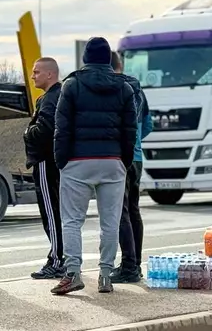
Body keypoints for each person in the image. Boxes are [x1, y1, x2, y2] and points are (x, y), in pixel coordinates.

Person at [51, 37, 137, 295]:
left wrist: (61, 161)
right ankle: (106, 275)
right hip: (112, 161)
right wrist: (124, 160)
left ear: (85, 58)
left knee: (72, 221)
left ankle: (73, 273)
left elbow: (61, 128)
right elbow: (129, 131)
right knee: (110, 222)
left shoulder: (72, 85)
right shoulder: (125, 88)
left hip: (77, 161)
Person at [110, 51, 153, 284]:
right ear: (120, 64)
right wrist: (136, 140)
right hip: (137, 157)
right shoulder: (138, 89)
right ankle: (135, 264)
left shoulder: (115, 89)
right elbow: (148, 124)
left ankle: (128, 266)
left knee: (120, 212)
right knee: (133, 210)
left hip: (119, 156)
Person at [23, 57, 65, 279]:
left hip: (45, 162)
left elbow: (44, 130)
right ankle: (62, 257)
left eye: (37, 72)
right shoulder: (62, 95)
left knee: (51, 212)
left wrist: (27, 133)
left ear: (50, 74)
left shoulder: (49, 99)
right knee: (61, 212)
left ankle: (57, 260)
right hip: (59, 161)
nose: (32, 76)